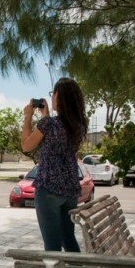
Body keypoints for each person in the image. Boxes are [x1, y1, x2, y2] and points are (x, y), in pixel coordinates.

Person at [21, 77, 88, 252]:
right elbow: (56, 135)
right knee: (68, 239)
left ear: (59, 97)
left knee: (52, 245)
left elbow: (26, 145)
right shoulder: (78, 126)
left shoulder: (48, 124)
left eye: (53, 93)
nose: (51, 97)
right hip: (69, 190)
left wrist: (28, 117)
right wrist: (46, 115)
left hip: (49, 188)